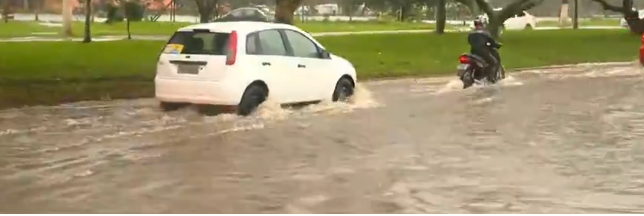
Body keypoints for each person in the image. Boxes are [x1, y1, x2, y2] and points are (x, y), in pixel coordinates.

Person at [467, 17, 502, 82]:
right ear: (482, 23)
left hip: (473, 52)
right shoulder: (484, 33)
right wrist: (497, 45)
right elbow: (491, 41)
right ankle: (491, 78)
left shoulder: (471, 33)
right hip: (483, 52)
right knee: (493, 62)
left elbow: (469, 41)